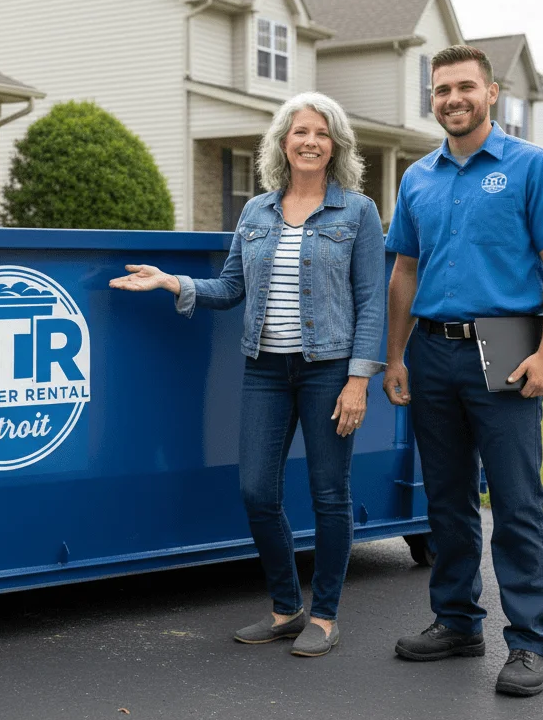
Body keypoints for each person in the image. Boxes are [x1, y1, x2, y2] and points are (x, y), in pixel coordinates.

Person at [109, 92, 385, 658]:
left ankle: (326, 615)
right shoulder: (256, 211)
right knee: (257, 490)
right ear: (283, 142)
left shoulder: (357, 212)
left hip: (329, 371)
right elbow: (231, 287)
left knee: (330, 495)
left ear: (337, 146)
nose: (310, 141)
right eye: (300, 131)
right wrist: (173, 282)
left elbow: (371, 303)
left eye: (322, 133)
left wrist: (359, 380)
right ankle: (287, 608)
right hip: (264, 368)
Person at [382, 45, 543, 697]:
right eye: (441, 90)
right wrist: (394, 355)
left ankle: (528, 644)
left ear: (492, 93)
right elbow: (404, 273)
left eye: (464, 87)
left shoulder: (532, 167)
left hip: (508, 343)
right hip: (433, 352)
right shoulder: (417, 178)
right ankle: (458, 621)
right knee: (445, 498)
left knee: (518, 501)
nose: (452, 99)